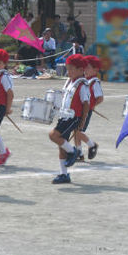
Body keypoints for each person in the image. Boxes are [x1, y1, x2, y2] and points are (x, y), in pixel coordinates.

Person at [48, 54, 90, 184]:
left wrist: (82, 121)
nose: (69, 71)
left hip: (73, 117)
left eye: (72, 69)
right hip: (65, 116)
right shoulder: (69, 81)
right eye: (68, 68)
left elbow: (86, 104)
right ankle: (64, 174)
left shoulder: (82, 85)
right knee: (62, 146)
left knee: (53, 135)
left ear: (81, 69)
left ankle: (73, 152)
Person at [75, 55, 103, 161]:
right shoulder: (85, 80)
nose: (85, 70)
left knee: (77, 131)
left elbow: (100, 98)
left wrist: (92, 106)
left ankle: (92, 145)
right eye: (84, 67)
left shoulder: (94, 82)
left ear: (95, 69)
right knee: (76, 131)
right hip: (79, 110)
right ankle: (79, 154)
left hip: (85, 111)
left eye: (88, 68)